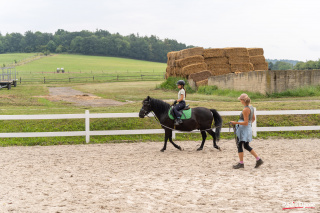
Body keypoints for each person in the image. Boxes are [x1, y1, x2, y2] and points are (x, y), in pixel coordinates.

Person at [230, 93, 263, 169]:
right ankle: (258, 159)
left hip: (243, 129)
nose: (240, 101)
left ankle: (241, 163)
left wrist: (235, 123)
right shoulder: (251, 107)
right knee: (246, 145)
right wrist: (248, 125)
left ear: (242, 101)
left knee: (239, 145)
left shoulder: (245, 109)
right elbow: (253, 119)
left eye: (240, 100)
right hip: (247, 128)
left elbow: (245, 122)